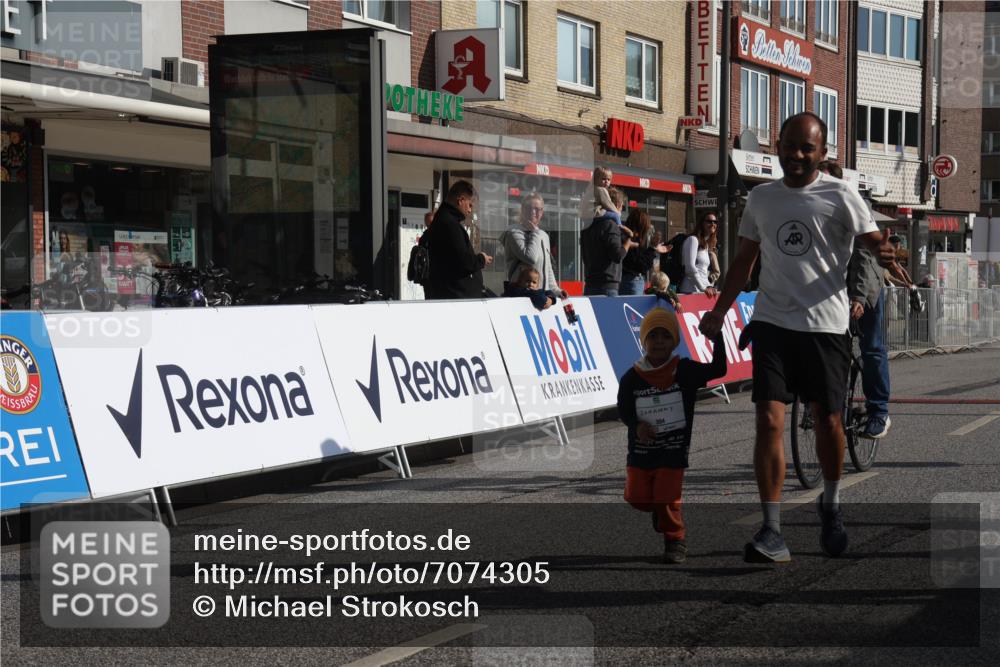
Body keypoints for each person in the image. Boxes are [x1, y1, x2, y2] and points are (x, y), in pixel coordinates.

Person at [698, 112, 896, 563]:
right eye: (789, 146)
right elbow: (743, 262)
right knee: (768, 419)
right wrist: (719, 311)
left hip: (825, 326)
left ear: (822, 154)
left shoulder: (842, 194)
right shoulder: (762, 199)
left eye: (807, 148)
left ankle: (831, 503)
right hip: (772, 323)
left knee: (827, 421)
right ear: (778, 148)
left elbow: (870, 241)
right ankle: (772, 530)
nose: (796, 155)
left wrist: (881, 248)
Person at [617, 308, 727, 563]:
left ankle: (675, 539)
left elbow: (719, 369)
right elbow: (623, 409)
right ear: (643, 341)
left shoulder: (685, 370)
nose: (658, 341)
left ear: (674, 341)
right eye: (652, 336)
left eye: (665, 336)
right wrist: (636, 426)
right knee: (636, 498)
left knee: (667, 497)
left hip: (673, 450)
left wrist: (717, 338)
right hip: (642, 451)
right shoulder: (632, 377)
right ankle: (659, 510)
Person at [819, 159, 892, 439]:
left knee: (871, 348)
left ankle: (879, 411)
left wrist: (858, 296)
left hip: (866, 286)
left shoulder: (850, 204)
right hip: (835, 290)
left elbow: (863, 256)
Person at [423, 180, 493, 299]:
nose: (470, 210)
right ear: (461, 200)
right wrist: (481, 259)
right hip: (456, 300)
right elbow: (463, 262)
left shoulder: (443, 221)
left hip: (452, 297)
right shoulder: (449, 224)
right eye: (470, 205)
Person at [500, 193, 567, 298]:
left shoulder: (543, 235)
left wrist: (556, 290)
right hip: (522, 295)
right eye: (530, 208)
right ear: (523, 210)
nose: (534, 213)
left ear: (542, 212)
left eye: (538, 209)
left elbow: (547, 267)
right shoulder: (514, 233)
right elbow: (531, 258)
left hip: (540, 295)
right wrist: (535, 232)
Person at [581, 188, 636, 297]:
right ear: (616, 204)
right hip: (607, 287)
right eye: (621, 206)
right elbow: (618, 255)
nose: (621, 210)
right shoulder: (611, 225)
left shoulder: (588, 226)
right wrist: (629, 240)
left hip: (590, 284)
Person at [619, 209, 670, 295]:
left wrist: (653, 248)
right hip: (632, 281)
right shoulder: (632, 240)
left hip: (627, 281)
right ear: (641, 226)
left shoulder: (626, 237)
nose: (648, 228)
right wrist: (652, 248)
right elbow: (642, 265)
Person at [680, 213, 719, 296]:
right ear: (702, 223)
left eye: (715, 222)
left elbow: (703, 271)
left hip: (702, 292)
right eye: (709, 221)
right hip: (690, 291)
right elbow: (690, 267)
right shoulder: (693, 240)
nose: (713, 224)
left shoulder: (706, 245)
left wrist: (709, 286)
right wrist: (703, 288)